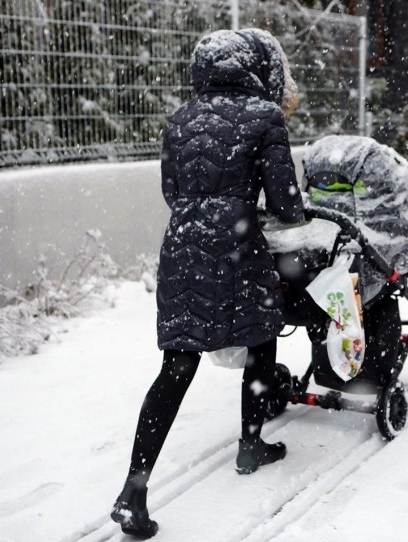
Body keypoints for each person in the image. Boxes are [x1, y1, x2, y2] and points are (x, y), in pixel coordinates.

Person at [110, 28, 304, 538]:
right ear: (252, 67)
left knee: (177, 363)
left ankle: (134, 488)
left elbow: (172, 192)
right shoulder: (265, 117)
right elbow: (287, 205)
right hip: (239, 247)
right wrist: (248, 205)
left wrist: (207, 209)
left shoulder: (179, 119)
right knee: (263, 335)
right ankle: (251, 442)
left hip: (183, 246)